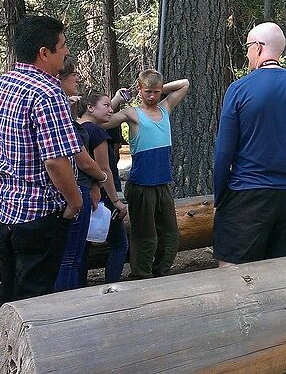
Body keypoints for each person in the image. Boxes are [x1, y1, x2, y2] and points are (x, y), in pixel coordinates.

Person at [0, 15, 82, 308]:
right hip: (38, 215)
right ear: (44, 53)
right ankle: (27, 354)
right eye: (63, 46)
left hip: (3, 211)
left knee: (10, 293)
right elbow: (56, 161)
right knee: (36, 301)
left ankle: (2, 352)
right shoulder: (48, 92)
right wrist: (75, 201)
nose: (67, 51)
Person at [213, 22, 286, 266]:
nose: (246, 54)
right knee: (280, 271)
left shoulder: (239, 89)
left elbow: (224, 152)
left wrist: (220, 196)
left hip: (246, 192)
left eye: (247, 47)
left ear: (258, 47)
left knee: (232, 270)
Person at [102, 69, 190, 279]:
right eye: (147, 91)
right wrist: (118, 98)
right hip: (142, 185)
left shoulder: (165, 107)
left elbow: (185, 83)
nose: (152, 96)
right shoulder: (132, 113)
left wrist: (160, 87)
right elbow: (100, 121)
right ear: (140, 90)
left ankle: (160, 272)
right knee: (145, 237)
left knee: (170, 236)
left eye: (156, 92)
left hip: (163, 183)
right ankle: (141, 275)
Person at [54, 59, 111, 291]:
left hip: (83, 192)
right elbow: (81, 160)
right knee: (69, 259)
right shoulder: (73, 123)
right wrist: (101, 180)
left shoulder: (73, 119)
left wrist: (94, 186)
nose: (78, 77)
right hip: (73, 196)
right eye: (73, 73)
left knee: (74, 257)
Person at [79, 92, 129, 284]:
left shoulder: (76, 129)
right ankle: (112, 287)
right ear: (90, 107)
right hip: (104, 197)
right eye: (106, 105)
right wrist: (116, 201)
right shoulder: (97, 133)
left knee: (82, 247)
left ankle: (79, 287)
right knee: (119, 245)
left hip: (83, 193)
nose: (111, 110)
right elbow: (104, 168)